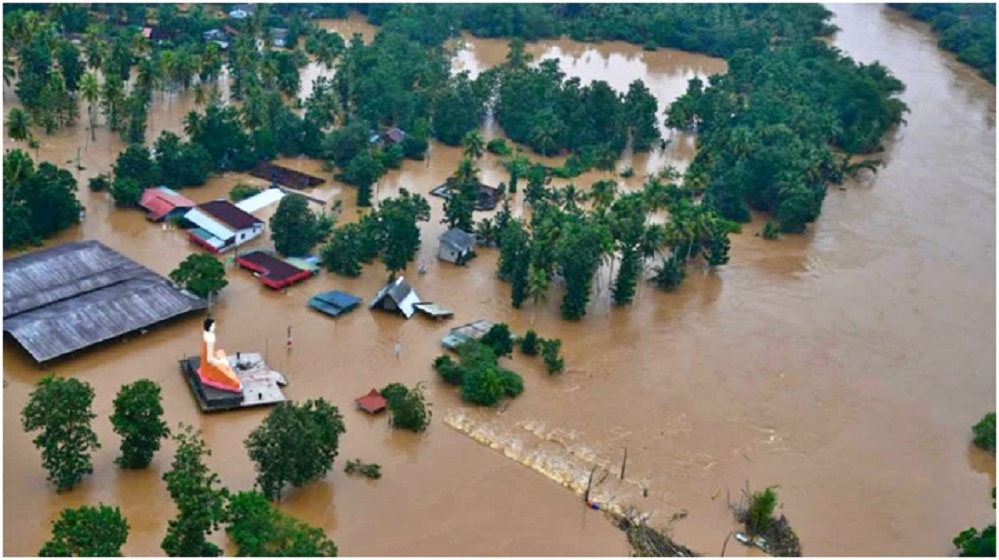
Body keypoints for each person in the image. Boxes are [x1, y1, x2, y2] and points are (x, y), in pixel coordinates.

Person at [199, 318, 243, 393]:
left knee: (222, 356)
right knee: (235, 382)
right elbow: (210, 359)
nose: (215, 327)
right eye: (213, 326)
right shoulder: (210, 339)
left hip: (207, 360)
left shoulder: (206, 334)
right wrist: (221, 362)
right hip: (210, 364)